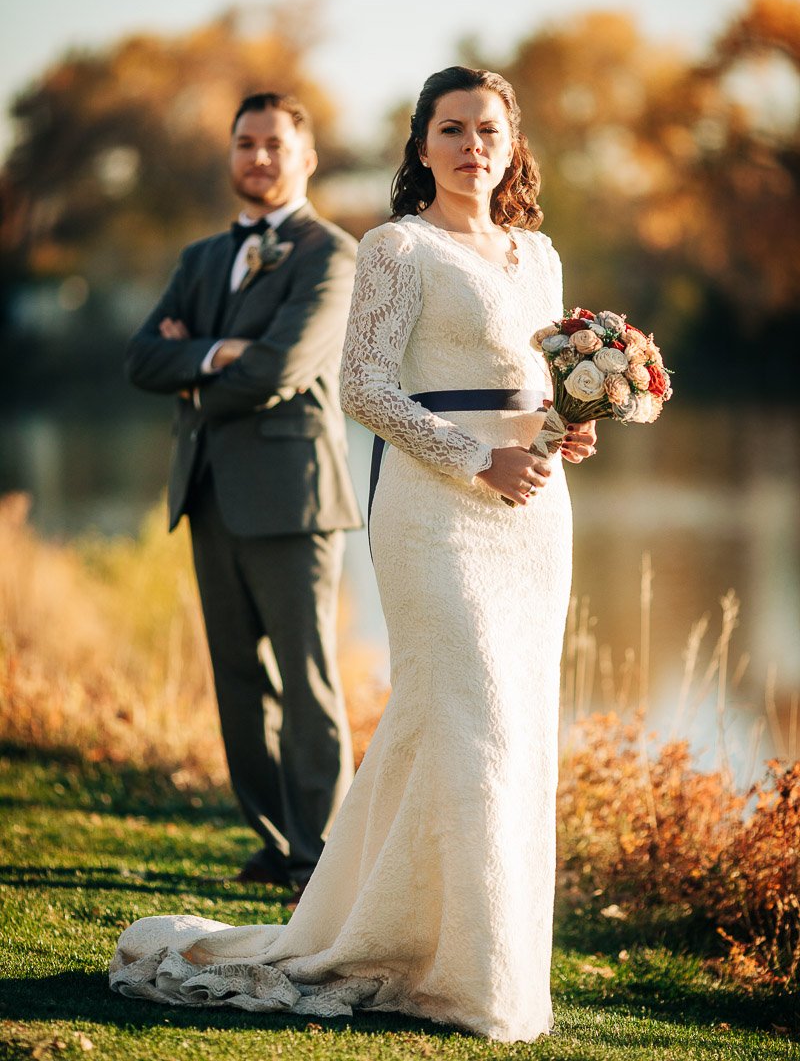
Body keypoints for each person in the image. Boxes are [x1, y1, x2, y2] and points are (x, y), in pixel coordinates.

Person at [110, 68, 597, 1042]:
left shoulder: (536, 255)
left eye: (487, 130)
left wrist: (563, 430)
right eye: (449, 130)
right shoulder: (394, 248)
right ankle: (457, 975)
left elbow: (530, 384)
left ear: (511, 142)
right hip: (434, 512)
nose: (470, 147)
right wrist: (475, 460)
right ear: (420, 146)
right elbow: (366, 389)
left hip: (532, 516)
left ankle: (457, 949)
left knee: (504, 729)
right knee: (473, 716)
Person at [124, 92, 362, 893]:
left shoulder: (331, 254)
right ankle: (273, 838)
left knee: (307, 679)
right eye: (244, 144)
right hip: (208, 493)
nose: (257, 158)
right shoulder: (198, 258)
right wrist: (220, 351)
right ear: (231, 155)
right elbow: (138, 360)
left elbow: (279, 370)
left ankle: (320, 852)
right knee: (236, 680)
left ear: (307, 156)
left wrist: (192, 363)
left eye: (273, 144)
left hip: (294, 498)